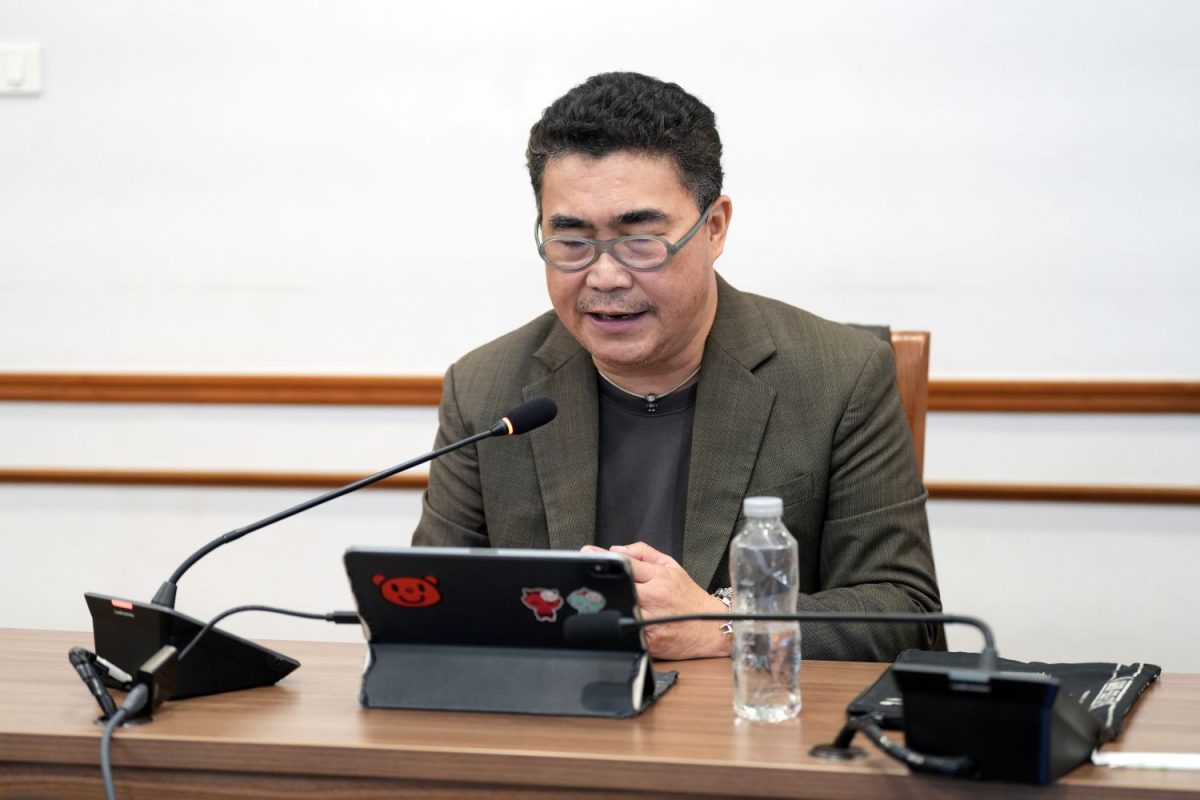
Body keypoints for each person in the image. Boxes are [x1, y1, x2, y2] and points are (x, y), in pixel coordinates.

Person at [412, 72, 941, 662]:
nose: (604, 276)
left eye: (640, 239)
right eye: (572, 241)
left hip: (746, 712)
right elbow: (427, 605)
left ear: (714, 228)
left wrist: (725, 623)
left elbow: (905, 613)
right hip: (557, 710)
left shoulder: (839, 376)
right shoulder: (486, 389)